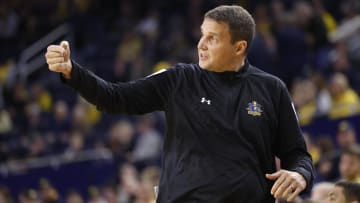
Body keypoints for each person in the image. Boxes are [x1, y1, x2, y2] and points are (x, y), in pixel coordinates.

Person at [45, 5, 314, 203]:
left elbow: (297, 153)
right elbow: (115, 98)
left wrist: (301, 174)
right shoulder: (178, 79)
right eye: (202, 35)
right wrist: (73, 72)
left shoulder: (271, 88)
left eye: (213, 38)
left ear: (239, 47)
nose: (201, 44)